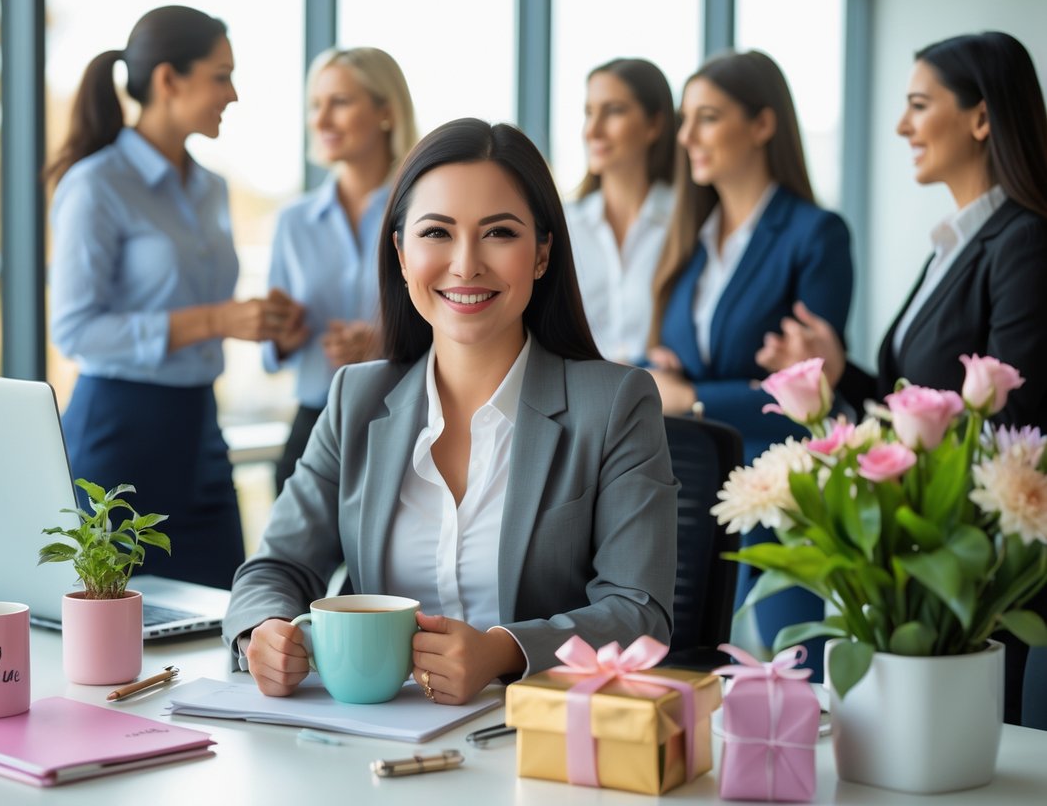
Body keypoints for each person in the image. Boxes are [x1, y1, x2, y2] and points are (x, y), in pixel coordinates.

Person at [223, 118, 678, 705]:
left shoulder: (615, 404)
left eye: (499, 234)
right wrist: (262, 633)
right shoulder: (354, 399)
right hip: (371, 741)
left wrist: (504, 651)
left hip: (532, 744)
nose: (465, 265)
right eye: (437, 232)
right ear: (400, 252)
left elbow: (639, 611)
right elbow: (273, 569)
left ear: (542, 254)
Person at [756, 31, 1047, 723]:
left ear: (980, 117)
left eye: (919, 104)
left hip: (979, 561)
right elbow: (918, 401)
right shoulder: (956, 242)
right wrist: (839, 368)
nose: (900, 126)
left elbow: (1013, 418)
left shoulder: (1023, 241)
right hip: (939, 553)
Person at [47, 6, 305, 590]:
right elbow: (76, 331)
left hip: (200, 430)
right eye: (221, 75)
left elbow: (204, 309)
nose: (233, 94)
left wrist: (265, 323)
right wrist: (217, 318)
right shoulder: (96, 184)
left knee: (226, 613)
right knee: (109, 633)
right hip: (118, 437)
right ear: (169, 80)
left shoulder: (212, 188)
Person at [647, 50, 854, 678]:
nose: (687, 138)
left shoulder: (815, 234)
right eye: (686, 120)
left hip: (783, 489)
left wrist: (691, 397)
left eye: (707, 118)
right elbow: (668, 363)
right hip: (701, 492)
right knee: (698, 670)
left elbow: (806, 386)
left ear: (763, 124)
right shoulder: (692, 241)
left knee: (796, 670)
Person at [264, 47, 419, 494]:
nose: (322, 119)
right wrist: (283, 335)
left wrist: (385, 342)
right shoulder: (293, 221)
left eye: (340, 102)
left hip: (405, 419)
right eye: (316, 105)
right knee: (289, 563)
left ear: (386, 111)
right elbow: (274, 353)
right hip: (315, 421)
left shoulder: (423, 214)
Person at [565, 58, 677, 364]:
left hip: (661, 400)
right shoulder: (564, 226)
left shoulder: (687, 222)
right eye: (589, 113)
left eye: (613, 111)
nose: (593, 130)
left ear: (654, 124)